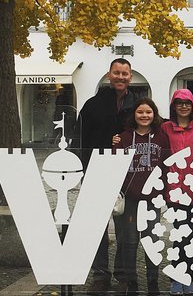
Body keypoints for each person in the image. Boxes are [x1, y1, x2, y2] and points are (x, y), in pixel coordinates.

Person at [74, 58, 134, 292]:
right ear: (109, 75)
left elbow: (153, 127)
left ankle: (122, 275)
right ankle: (100, 274)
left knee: (125, 230)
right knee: (97, 228)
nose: (120, 77)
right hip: (96, 172)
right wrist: (81, 171)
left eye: (125, 73)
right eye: (116, 73)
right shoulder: (93, 105)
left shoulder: (136, 104)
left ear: (130, 76)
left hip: (127, 175)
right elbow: (79, 140)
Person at [112, 97, 169, 296]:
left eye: (148, 112)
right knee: (130, 241)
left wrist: (163, 192)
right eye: (140, 112)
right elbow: (115, 165)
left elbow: (166, 166)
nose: (144, 116)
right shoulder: (124, 138)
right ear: (134, 115)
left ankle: (153, 281)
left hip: (152, 199)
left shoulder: (162, 137)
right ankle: (131, 282)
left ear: (154, 115)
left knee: (151, 240)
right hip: (130, 199)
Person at [161, 89, 193, 296]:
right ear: (173, 106)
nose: (183, 106)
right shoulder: (165, 128)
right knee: (179, 235)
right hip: (174, 189)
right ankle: (176, 279)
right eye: (179, 102)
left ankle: (188, 277)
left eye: (187, 102)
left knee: (191, 235)